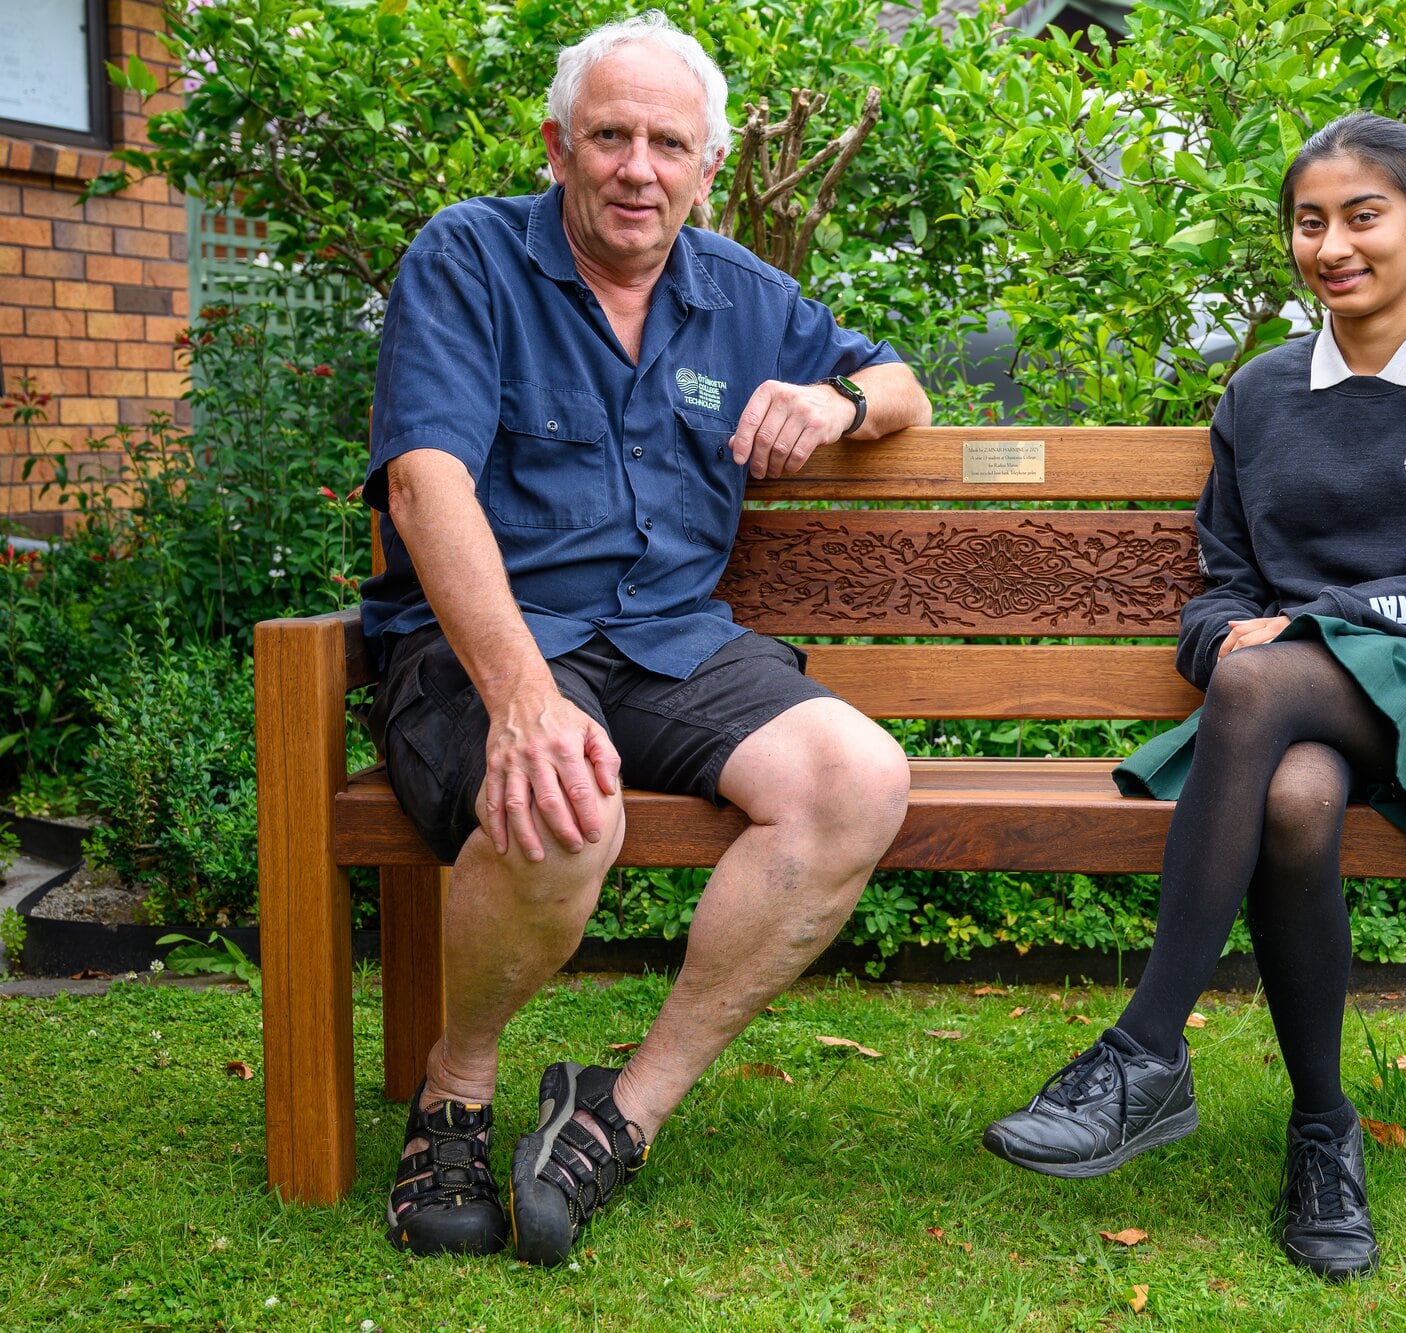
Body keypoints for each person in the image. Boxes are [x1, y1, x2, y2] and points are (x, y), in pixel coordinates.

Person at [361, 12, 931, 1264]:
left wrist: (833, 400)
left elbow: (903, 386)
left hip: (672, 641)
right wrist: (519, 697)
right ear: (557, 147)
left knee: (859, 776)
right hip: (493, 641)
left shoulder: (745, 300)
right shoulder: (469, 259)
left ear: (706, 168)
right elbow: (425, 486)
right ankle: (456, 1087)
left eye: (667, 143)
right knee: (568, 796)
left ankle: (617, 1114)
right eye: (608, 136)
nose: (637, 167)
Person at [980, 112, 1406, 1280]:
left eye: (1363, 216)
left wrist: (1318, 626)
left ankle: (1146, 1047)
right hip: (1289, 711)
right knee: (1295, 802)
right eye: (1310, 221)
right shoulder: (1259, 393)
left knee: (1262, 678)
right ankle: (1323, 1133)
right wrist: (1247, 639)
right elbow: (1221, 592)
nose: (1333, 244)